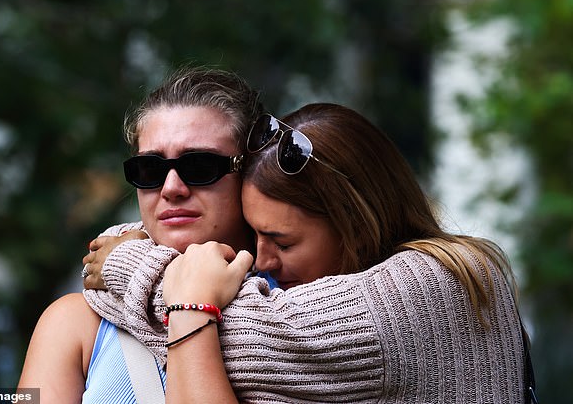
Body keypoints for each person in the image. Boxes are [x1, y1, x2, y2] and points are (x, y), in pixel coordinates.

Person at [86, 104, 529, 403]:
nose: (262, 261)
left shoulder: (433, 284)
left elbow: (230, 332)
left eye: (282, 242)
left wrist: (127, 261)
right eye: (256, 236)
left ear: (354, 224)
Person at [17, 66, 263, 403]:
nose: (171, 188)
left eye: (200, 167)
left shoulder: (303, 306)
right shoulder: (75, 324)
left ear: (251, 171)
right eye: (149, 169)